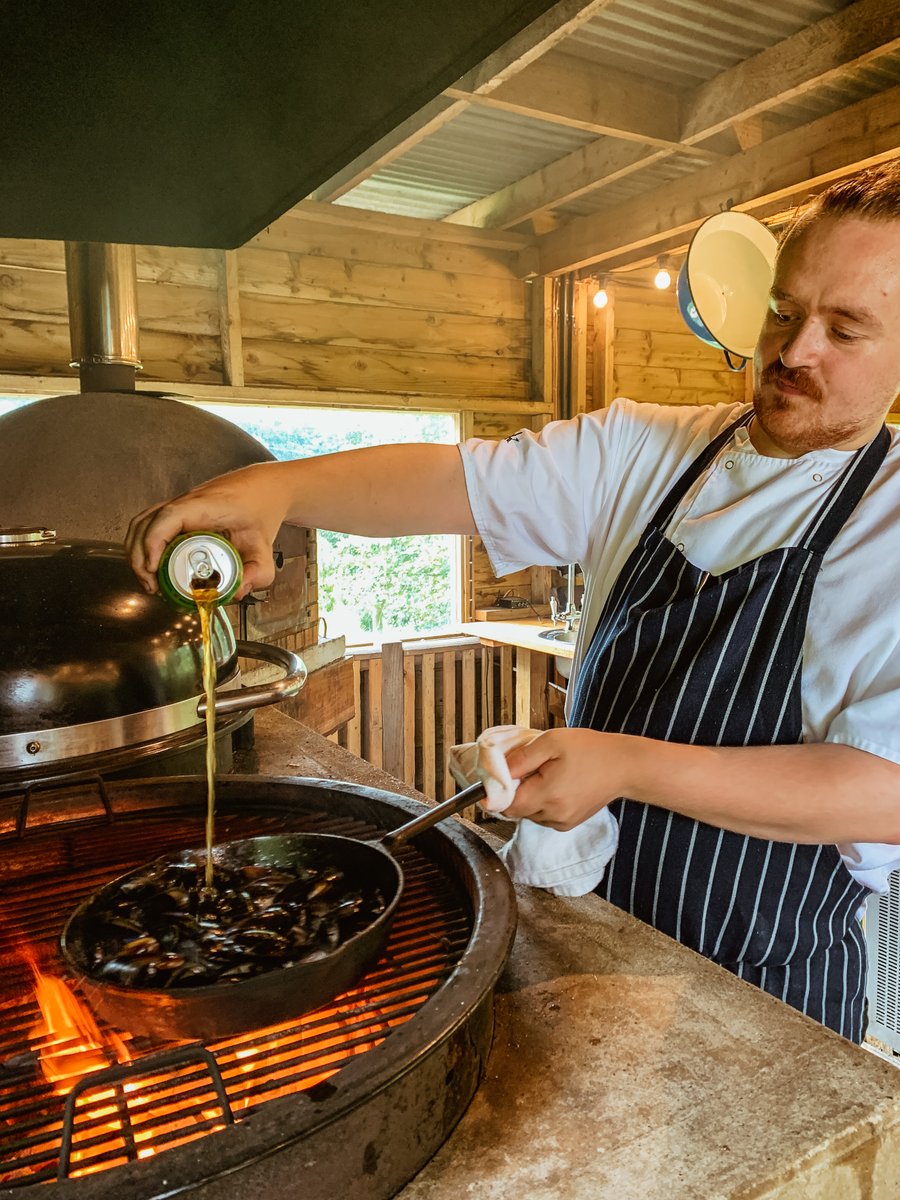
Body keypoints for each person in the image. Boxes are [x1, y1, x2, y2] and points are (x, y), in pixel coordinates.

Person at [127, 159, 900, 1042]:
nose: (794, 351)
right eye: (785, 311)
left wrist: (629, 764)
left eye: (846, 330)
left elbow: (884, 789)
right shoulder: (654, 451)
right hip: (591, 928)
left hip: (766, 984)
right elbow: (456, 482)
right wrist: (276, 489)